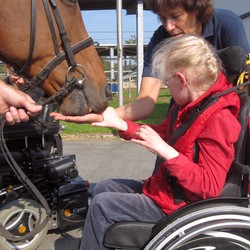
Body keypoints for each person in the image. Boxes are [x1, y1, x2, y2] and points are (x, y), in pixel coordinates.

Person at [74, 35, 241, 249]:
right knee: (104, 187)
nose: (166, 86)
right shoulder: (189, 106)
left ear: (181, 80)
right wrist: (120, 124)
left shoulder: (219, 119)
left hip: (180, 204)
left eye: (167, 81)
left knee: (101, 205)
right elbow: (162, 133)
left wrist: (167, 152)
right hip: (166, 189)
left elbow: (208, 186)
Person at [50, 0, 250, 124]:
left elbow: (243, 89)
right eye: (162, 18)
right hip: (182, 120)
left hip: (225, 120)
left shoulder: (227, 24)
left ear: (197, 8)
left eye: (176, 16)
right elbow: (145, 102)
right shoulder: (161, 39)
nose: (169, 27)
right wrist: (105, 115)